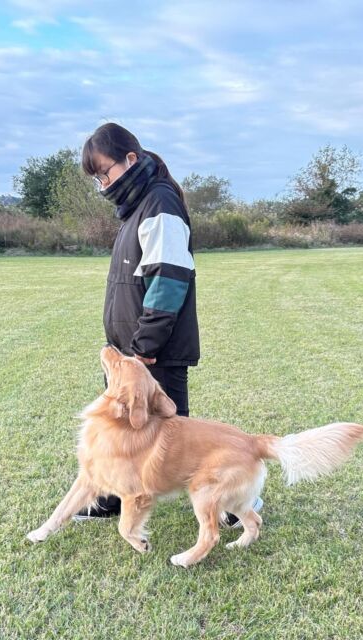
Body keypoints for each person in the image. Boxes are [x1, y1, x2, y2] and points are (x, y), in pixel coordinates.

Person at [73, 122, 262, 528]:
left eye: (105, 172)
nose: (103, 183)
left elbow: (169, 277)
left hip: (153, 349)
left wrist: (145, 346)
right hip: (130, 350)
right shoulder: (136, 207)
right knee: (120, 429)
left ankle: (237, 502)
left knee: (179, 435)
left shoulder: (159, 204)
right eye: (97, 178)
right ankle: (110, 496)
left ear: (131, 159)